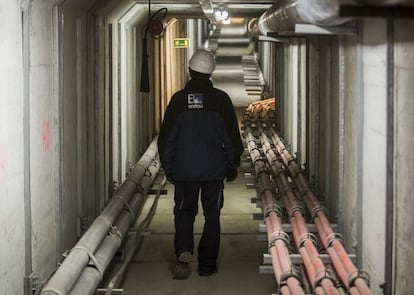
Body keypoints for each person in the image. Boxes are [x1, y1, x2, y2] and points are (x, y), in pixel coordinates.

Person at [157, 49, 244, 280]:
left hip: (185, 172)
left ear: (189, 71)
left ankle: (184, 251)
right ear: (210, 74)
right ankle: (207, 264)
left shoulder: (177, 101)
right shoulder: (221, 100)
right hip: (213, 172)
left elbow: (166, 139)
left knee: (185, 212)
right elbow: (232, 138)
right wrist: (232, 164)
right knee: (212, 214)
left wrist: (169, 168)